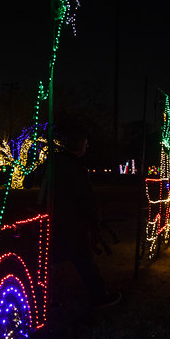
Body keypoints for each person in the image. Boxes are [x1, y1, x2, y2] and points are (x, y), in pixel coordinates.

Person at [43, 123, 121, 308]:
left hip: (53, 217)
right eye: (86, 144)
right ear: (80, 145)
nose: (87, 147)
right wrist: (96, 217)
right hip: (72, 221)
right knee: (83, 258)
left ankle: (42, 296)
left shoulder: (53, 161)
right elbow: (85, 196)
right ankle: (99, 297)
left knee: (53, 259)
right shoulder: (74, 167)